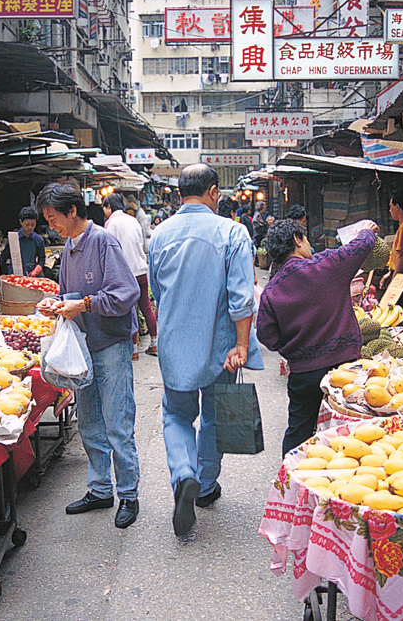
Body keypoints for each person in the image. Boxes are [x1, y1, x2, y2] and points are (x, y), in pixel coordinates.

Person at [148, 163, 264, 537]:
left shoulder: (160, 235)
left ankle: (183, 474)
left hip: (173, 344)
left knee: (176, 416)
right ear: (214, 192)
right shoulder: (233, 232)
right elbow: (242, 298)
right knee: (215, 418)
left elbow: (157, 292)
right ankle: (206, 484)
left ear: (180, 193)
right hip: (220, 346)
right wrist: (243, 344)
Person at [34, 183, 142, 529]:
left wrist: (81, 304)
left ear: (73, 212)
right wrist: (57, 303)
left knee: (117, 423)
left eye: (53, 219)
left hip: (110, 345)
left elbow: (126, 293)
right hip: (83, 346)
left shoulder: (103, 241)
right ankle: (99, 489)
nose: (51, 226)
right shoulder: (68, 247)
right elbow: (71, 292)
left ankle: (128, 493)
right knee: (90, 423)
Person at [257, 218, 380, 456]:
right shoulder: (327, 264)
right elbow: (359, 247)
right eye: (305, 238)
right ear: (297, 240)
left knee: (299, 431)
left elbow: (266, 336)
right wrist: (366, 231)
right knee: (347, 434)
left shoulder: (272, 290)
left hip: (303, 373)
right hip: (344, 370)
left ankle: (290, 483)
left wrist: (292, 348)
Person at [102, 192, 158, 359]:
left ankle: (133, 350)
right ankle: (154, 343)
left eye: (104, 208)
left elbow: (109, 249)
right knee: (146, 307)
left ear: (109, 207)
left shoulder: (110, 223)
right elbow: (140, 242)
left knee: (129, 311)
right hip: (140, 269)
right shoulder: (133, 220)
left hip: (125, 273)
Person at [0, 206, 45, 278]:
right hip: (14, 276)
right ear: (21, 222)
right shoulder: (13, 238)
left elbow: (42, 259)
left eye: (33, 224)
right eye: (27, 224)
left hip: (31, 277)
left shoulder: (39, 240)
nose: (30, 227)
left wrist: (36, 271)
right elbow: (4, 257)